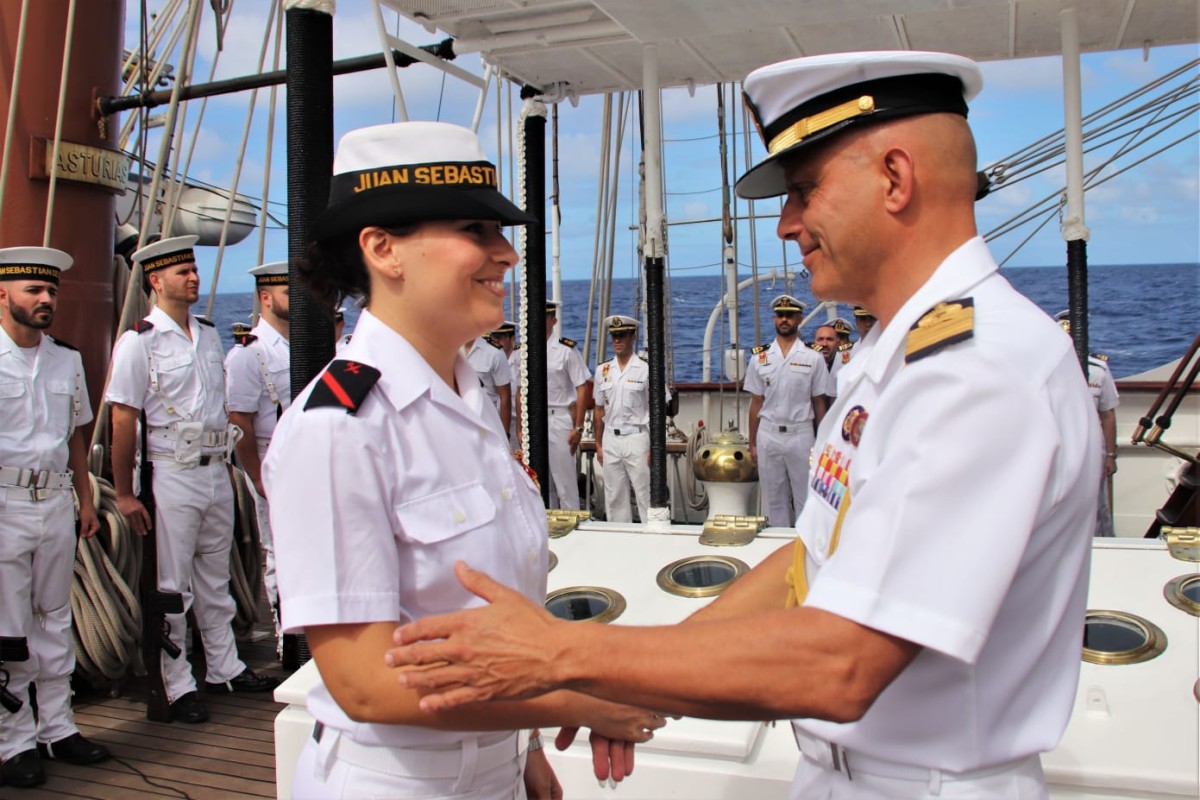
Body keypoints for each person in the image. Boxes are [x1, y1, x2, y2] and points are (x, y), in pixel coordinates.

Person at [387, 51, 1102, 800]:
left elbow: (844, 663)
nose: (788, 221)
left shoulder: (975, 371)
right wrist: (642, 680)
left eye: (804, 188)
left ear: (896, 177)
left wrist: (564, 654)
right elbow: (809, 567)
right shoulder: (891, 360)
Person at [260, 120, 663, 800]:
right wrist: (571, 700)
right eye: (474, 230)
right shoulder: (338, 428)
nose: (506, 253)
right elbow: (365, 685)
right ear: (384, 249)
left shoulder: (469, 399)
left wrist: (523, 751)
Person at [106, 236, 278, 725]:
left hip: (213, 469)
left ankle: (224, 667)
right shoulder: (138, 342)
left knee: (214, 576)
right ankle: (175, 684)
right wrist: (121, 493)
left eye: (195, 269)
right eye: (183, 272)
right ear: (156, 281)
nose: (194, 277)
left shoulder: (206, 334)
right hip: (171, 473)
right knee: (172, 587)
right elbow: (123, 418)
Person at [0, 247, 110, 788]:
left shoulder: (67, 359)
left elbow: (77, 436)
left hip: (56, 502)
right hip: (4, 505)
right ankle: (14, 740)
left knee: (54, 618)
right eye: (33, 292)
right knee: (9, 628)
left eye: (52, 292)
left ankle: (58, 728)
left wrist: (86, 501)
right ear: (3, 294)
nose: (46, 301)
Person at [225, 261, 291, 646]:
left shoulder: (301, 346)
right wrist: (256, 476)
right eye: (286, 292)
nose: (296, 299)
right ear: (265, 298)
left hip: (302, 458)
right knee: (278, 550)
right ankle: (287, 639)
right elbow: (240, 422)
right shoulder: (250, 354)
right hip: (269, 457)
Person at [745, 293, 830, 526]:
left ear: (799, 319)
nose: (784, 320)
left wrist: (821, 442)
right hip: (768, 434)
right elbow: (755, 403)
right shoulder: (759, 359)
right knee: (773, 501)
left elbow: (819, 403)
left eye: (789, 316)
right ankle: (779, 546)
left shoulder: (813, 358)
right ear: (774, 319)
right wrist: (752, 442)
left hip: (801, 435)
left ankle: (803, 550)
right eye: (780, 315)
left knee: (806, 497)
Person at [518, 301, 590, 510]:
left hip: (558, 417)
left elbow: (582, 388)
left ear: (554, 321)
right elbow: (520, 389)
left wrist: (578, 427)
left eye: (545, 317)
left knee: (564, 482)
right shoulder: (525, 350)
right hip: (534, 418)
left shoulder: (566, 350)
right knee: (539, 480)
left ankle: (573, 529)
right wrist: (521, 427)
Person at [1057, 310, 1119, 536]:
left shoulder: (1098, 370)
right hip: (1060, 451)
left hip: (1093, 452)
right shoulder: (1048, 369)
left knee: (1097, 510)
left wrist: (1110, 456)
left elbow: (1108, 414)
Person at [593, 314, 651, 523]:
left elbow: (657, 409)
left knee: (645, 495)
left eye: (622, 335)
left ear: (633, 337)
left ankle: (653, 540)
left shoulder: (646, 369)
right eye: (614, 336)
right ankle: (620, 540)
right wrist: (599, 444)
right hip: (611, 438)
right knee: (614, 496)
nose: (617, 340)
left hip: (637, 438)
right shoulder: (603, 370)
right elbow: (599, 410)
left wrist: (655, 446)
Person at [466, 324, 513, 432]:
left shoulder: (494, 353)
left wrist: (505, 434)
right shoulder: (450, 352)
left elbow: (505, 396)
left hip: (486, 422)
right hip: (459, 421)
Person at [811, 322, 843, 396]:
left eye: (829, 339)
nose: (824, 344)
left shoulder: (846, 366)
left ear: (838, 343)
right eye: (820, 339)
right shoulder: (808, 364)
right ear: (814, 343)